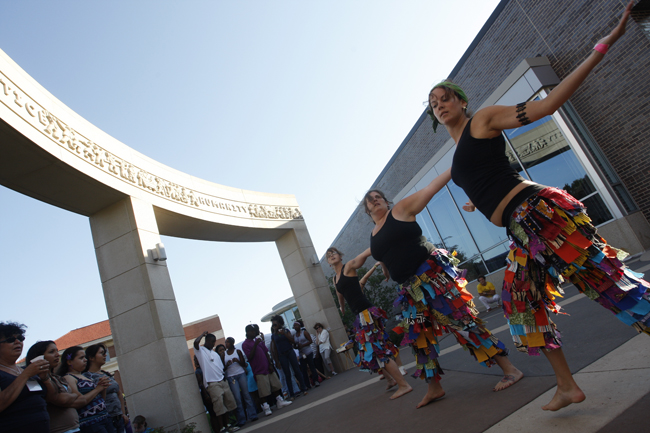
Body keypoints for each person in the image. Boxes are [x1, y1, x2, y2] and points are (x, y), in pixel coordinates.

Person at [426, 1, 649, 411]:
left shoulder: (484, 120)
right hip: (518, 230)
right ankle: (567, 386)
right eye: (433, 103)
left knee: (609, 284)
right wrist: (479, 205)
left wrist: (606, 44)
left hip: (540, 215)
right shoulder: (457, 154)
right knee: (523, 307)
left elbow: (546, 107)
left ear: (460, 101)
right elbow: (485, 179)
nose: (439, 105)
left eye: (445, 98)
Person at [365, 183, 523, 408]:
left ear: (386, 201)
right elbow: (384, 252)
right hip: (410, 293)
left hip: (432, 279)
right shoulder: (373, 234)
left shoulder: (398, 212)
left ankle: (510, 369)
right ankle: (434, 388)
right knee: (420, 339)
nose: (375, 200)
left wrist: (454, 168)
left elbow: (430, 189)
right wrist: (384, 267)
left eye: (378, 196)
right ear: (367, 210)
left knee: (463, 322)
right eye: (370, 199)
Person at [327, 247, 412, 399]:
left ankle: (404, 384)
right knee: (368, 352)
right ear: (328, 262)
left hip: (367, 312)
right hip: (360, 316)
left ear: (340, 256)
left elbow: (368, 251)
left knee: (377, 350)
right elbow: (340, 293)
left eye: (334, 253)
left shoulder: (349, 266)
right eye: (329, 255)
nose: (332, 255)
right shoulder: (335, 279)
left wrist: (381, 249)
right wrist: (342, 307)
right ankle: (390, 379)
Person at [0, 322, 51, 433]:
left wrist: (45, 378)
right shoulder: (26, 372)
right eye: (10, 340)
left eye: (20, 338)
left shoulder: (25, 370)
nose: (18, 342)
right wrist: (26, 375)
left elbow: (52, 399)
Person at [26, 340, 85, 433]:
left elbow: (82, 399)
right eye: (51, 352)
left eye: (57, 351)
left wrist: (69, 397)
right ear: (39, 357)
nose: (57, 354)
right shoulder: (36, 380)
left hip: (75, 428)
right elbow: (61, 399)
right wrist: (73, 395)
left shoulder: (58, 378)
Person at [57, 346, 114, 433]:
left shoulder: (85, 376)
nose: (85, 360)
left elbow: (101, 398)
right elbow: (80, 400)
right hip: (91, 423)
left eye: (85, 357)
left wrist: (103, 387)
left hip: (105, 418)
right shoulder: (69, 378)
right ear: (69, 361)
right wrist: (98, 389)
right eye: (81, 358)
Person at [241, 324, 291, 416]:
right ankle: (266, 407)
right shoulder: (245, 344)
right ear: (247, 332)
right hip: (258, 370)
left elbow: (266, 352)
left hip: (267, 366)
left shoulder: (258, 340)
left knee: (275, 385)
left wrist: (270, 364)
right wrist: (255, 345)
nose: (254, 332)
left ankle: (279, 401)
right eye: (252, 331)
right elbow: (250, 356)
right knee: (263, 390)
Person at [193, 332, 238, 433]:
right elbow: (196, 343)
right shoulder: (201, 351)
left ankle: (228, 425)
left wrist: (223, 376)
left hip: (222, 380)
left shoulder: (214, 353)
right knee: (219, 406)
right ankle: (222, 428)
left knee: (227, 404)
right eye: (212, 342)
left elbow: (220, 367)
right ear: (207, 341)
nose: (214, 344)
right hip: (212, 383)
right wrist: (202, 335)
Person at [84, 344, 128, 433]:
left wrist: (123, 413)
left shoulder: (106, 374)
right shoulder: (87, 377)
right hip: (105, 419)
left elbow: (119, 393)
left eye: (105, 353)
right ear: (91, 358)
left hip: (118, 417)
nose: (105, 355)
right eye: (101, 353)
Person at [270, 315, 308, 400]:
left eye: (275, 324)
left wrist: (284, 334)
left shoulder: (286, 331)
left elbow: (293, 340)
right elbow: (274, 348)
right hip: (281, 355)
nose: (274, 326)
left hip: (290, 352)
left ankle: (304, 388)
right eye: (273, 325)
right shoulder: (273, 335)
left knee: (297, 370)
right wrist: (276, 360)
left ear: (280, 324)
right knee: (287, 374)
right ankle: (292, 394)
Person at [223, 337, 258, 427]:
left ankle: (253, 415)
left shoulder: (237, 351)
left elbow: (244, 363)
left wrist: (238, 361)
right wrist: (227, 365)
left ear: (232, 343)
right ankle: (242, 419)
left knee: (246, 395)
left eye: (227, 342)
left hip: (241, 374)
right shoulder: (224, 354)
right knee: (237, 398)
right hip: (231, 377)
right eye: (225, 342)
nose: (226, 344)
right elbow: (223, 368)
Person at [193, 356, 220, 433]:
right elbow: (201, 384)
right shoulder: (198, 372)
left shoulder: (205, 368)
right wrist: (206, 395)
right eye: (195, 360)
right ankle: (216, 430)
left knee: (216, 412)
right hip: (206, 394)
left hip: (212, 390)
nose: (196, 361)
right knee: (212, 413)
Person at [291, 321, 319, 389]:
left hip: (308, 352)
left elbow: (310, 341)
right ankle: (307, 384)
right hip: (301, 354)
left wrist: (303, 345)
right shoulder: (294, 336)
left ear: (299, 326)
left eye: (296, 325)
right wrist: (296, 346)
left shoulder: (304, 332)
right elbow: (294, 345)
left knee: (311, 366)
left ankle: (316, 380)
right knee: (304, 369)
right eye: (294, 326)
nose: (295, 327)